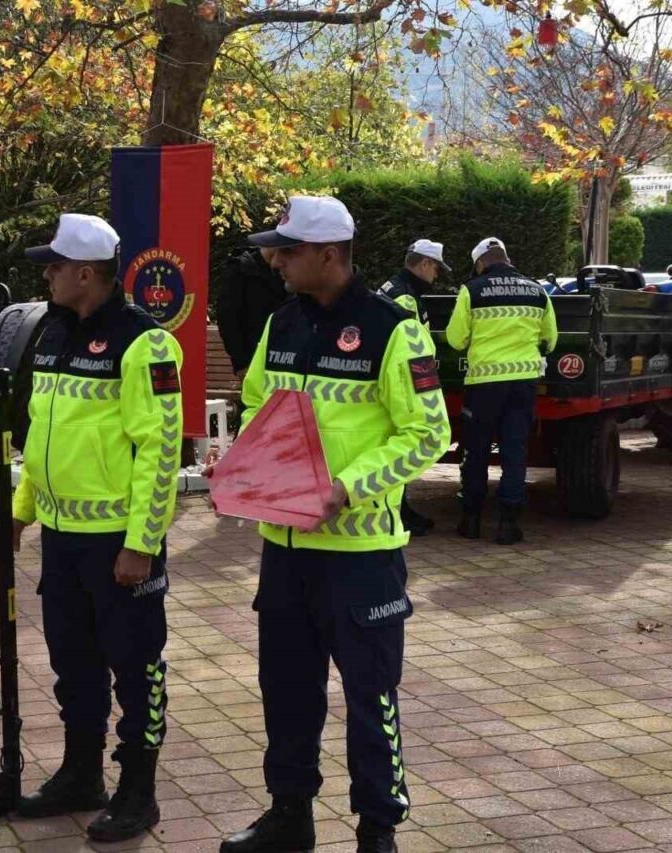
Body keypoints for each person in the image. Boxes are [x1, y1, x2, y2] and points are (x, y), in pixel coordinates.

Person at [214, 197, 451, 853]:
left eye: (288, 251)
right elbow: (258, 406)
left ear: (328, 255)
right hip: (284, 548)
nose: (277, 261)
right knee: (287, 690)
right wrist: (241, 465)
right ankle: (289, 815)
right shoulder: (281, 322)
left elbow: (428, 432)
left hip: (361, 553)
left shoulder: (393, 328)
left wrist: (347, 487)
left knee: (370, 695)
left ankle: (378, 828)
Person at [11, 213, 183, 843]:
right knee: (74, 666)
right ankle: (81, 775)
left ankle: (139, 792)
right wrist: (21, 512)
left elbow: (161, 451)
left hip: (118, 544)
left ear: (86, 274)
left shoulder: (145, 344)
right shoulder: (53, 331)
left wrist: (142, 543)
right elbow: (41, 435)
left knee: (137, 672)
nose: (48, 277)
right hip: (62, 540)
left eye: (54, 267)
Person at [447, 237, 558, 545]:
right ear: (506, 258)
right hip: (523, 384)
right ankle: (509, 524)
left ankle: (471, 520)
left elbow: (456, 339)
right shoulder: (537, 291)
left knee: (476, 450)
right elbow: (550, 340)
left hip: (483, 384)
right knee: (514, 451)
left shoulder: (472, 290)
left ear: (480, 263)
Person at [378, 239, 451, 536]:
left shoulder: (393, 287)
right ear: (424, 263)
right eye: (436, 268)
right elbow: (410, 347)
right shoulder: (406, 298)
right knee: (406, 442)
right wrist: (425, 384)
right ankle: (399, 511)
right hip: (403, 381)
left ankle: (402, 508)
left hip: (392, 377)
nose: (436, 275)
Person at [216, 245, 287, 378]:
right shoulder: (239, 270)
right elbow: (228, 320)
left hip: (284, 358)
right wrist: (241, 363)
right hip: (251, 359)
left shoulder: (284, 271)